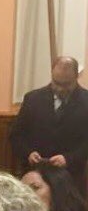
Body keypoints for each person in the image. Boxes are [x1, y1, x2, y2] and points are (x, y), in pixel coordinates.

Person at [10, 56, 88, 192]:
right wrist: (28, 153)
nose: (60, 89)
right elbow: (16, 135)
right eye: (56, 83)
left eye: (66, 84)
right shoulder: (33, 99)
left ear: (76, 77)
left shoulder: (86, 101)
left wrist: (69, 158)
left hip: (71, 177)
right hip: (36, 173)